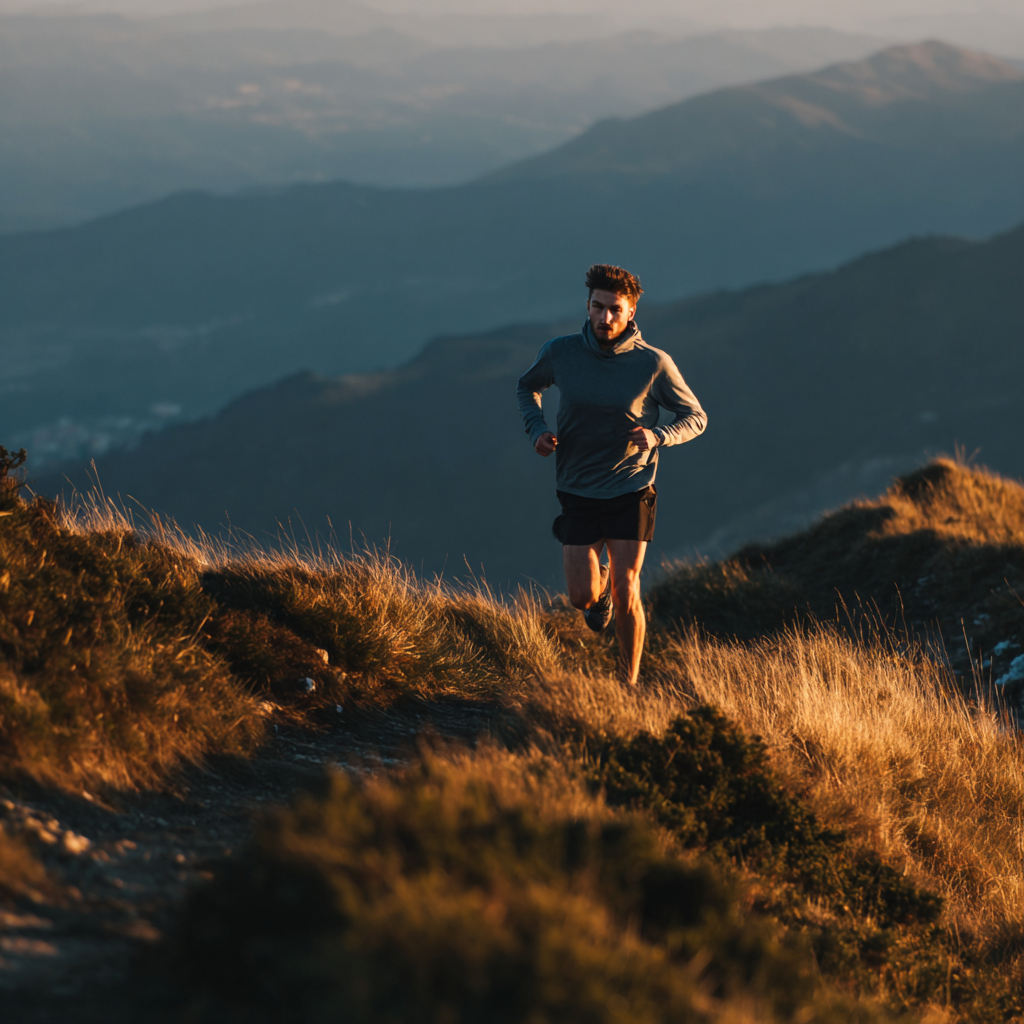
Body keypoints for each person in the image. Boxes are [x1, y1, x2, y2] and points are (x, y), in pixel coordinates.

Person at [516, 264, 707, 686]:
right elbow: (527, 387)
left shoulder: (653, 363)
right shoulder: (560, 352)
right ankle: (595, 596)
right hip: (577, 487)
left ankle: (627, 685)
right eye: (597, 308)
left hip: (631, 486)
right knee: (581, 596)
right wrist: (538, 430)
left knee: (628, 589)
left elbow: (696, 417)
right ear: (587, 306)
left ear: (631, 311)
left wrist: (658, 436)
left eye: (615, 309)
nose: (605, 318)